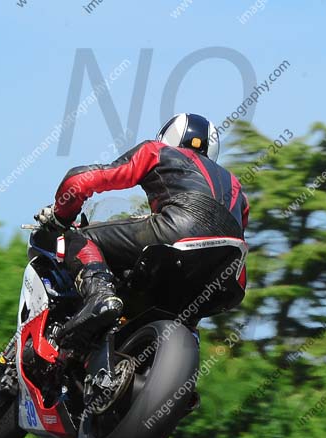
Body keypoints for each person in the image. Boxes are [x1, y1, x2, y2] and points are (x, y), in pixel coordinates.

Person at [35, 113, 249, 339]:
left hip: (178, 229)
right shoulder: (236, 186)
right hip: (229, 269)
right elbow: (239, 224)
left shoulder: (158, 151)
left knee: (77, 239)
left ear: (168, 136)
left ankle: (100, 296)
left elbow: (80, 181)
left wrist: (61, 216)